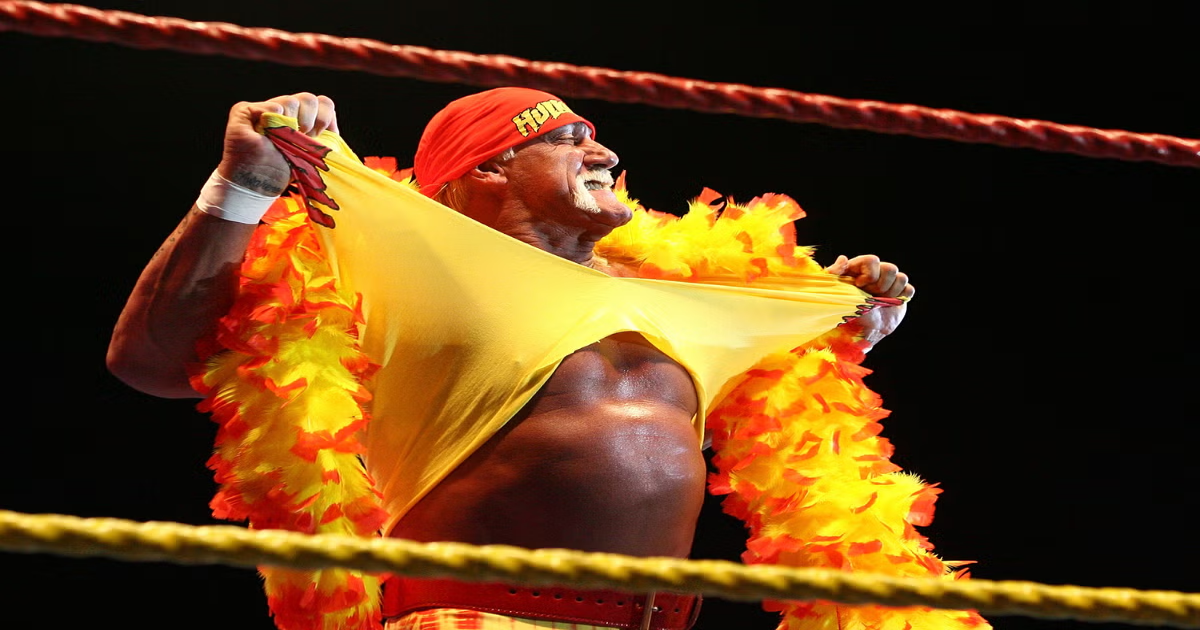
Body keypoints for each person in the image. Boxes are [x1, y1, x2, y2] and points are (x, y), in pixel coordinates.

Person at [107, 88, 918, 630]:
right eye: (569, 140)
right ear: (491, 167)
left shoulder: (683, 294)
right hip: (479, 617)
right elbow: (148, 361)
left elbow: (785, 405)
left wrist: (846, 321)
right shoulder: (405, 269)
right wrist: (243, 187)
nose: (605, 155)